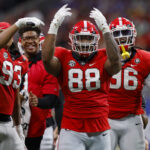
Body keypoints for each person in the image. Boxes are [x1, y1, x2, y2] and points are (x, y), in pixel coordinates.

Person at [41, 4, 121, 150]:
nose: (84, 42)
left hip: (100, 128)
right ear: (72, 39)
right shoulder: (64, 56)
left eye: (88, 38)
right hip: (71, 128)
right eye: (81, 38)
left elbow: (116, 62)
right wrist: (54, 27)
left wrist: (106, 30)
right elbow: (46, 60)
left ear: (96, 39)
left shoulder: (104, 56)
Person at [0, 18, 43, 150]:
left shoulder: (18, 61)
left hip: (7, 122)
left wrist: (18, 127)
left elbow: (15, 96)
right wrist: (18, 24)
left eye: (5, 32)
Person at [108, 17, 150, 150]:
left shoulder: (144, 58)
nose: (121, 38)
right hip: (105, 118)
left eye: (125, 33)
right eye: (116, 34)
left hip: (132, 117)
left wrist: (142, 109)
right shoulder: (101, 57)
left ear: (133, 34)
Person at [18, 25, 63, 150]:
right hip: (15, 124)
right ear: (20, 42)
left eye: (34, 38)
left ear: (39, 40)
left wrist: (37, 101)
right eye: (26, 38)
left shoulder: (47, 65)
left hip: (40, 126)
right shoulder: (14, 62)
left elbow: (55, 100)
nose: (30, 42)